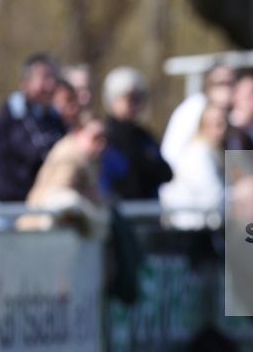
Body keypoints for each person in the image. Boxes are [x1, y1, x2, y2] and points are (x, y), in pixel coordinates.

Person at [0, 53, 66, 202]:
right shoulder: (14, 111)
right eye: (45, 78)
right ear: (26, 82)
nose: (51, 85)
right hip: (6, 202)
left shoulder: (54, 117)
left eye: (53, 78)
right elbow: (29, 151)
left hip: (38, 201)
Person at [19, 113, 110, 237]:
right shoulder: (69, 156)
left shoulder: (90, 158)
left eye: (103, 138)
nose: (101, 144)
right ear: (78, 133)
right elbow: (60, 197)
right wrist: (88, 195)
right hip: (37, 230)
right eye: (96, 137)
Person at [99, 67, 172, 201]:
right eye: (130, 98)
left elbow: (165, 173)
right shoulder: (104, 137)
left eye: (139, 98)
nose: (135, 104)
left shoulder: (144, 137)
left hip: (148, 208)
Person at [159, 103, 229, 229]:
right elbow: (212, 195)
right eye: (216, 124)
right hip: (191, 228)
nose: (222, 130)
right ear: (203, 126)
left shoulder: (213, 152)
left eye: (225, 124)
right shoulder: (199, 154)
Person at [161, 63, 236, 172]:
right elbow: (171, 154)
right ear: (208, 85)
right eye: (221, 83)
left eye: (231, 83)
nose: (227, 89)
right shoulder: (195, 106)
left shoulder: (230, 113)